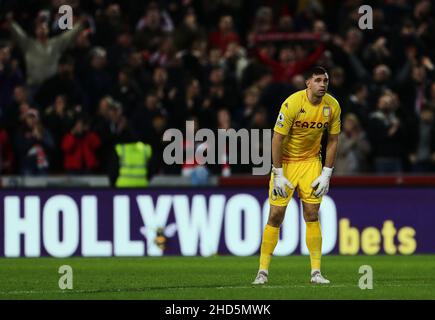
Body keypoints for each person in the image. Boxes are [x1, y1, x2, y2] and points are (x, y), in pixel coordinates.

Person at [253, 66, 341, 285]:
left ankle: (316, 272)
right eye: (318, 80)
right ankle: (262, 271)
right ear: (307, 83)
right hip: (287, 164)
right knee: (275, 215)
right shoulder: (292, 103)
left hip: (311, 162)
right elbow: (277, 139)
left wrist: (327, 173)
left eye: (326, 81)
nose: (323, 84)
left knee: (312, 213)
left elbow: (333, 140)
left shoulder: (333, 106)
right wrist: (278, 173)